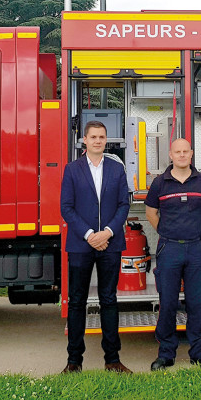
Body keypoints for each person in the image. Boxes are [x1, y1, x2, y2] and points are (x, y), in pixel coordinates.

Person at [59, 120, 132, 374]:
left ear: (106, 140)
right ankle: (74, 362)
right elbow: (66, 207)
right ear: (85, 140)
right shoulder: (72, 169)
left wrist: (108, 232)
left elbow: (124, 204)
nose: (98, 141)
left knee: (109, 300)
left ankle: (112, 360)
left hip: (110, 244)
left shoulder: (117, 169)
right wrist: (90, 235)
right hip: (81, 245)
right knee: (77, 301)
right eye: (93, 137)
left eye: (102, 137)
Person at [144, 139, 201, 371]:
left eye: (186, 151)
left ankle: (199, 354)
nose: (182, 155)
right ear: (171, 154)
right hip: (169, 248)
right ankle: (166, 354)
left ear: (191, 153)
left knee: (197, 303)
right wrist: (168, 232)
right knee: (167, 303)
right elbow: (151, 213)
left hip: (196, 248)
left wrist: (193, 230)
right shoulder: (160, 183)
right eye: (178, 152)